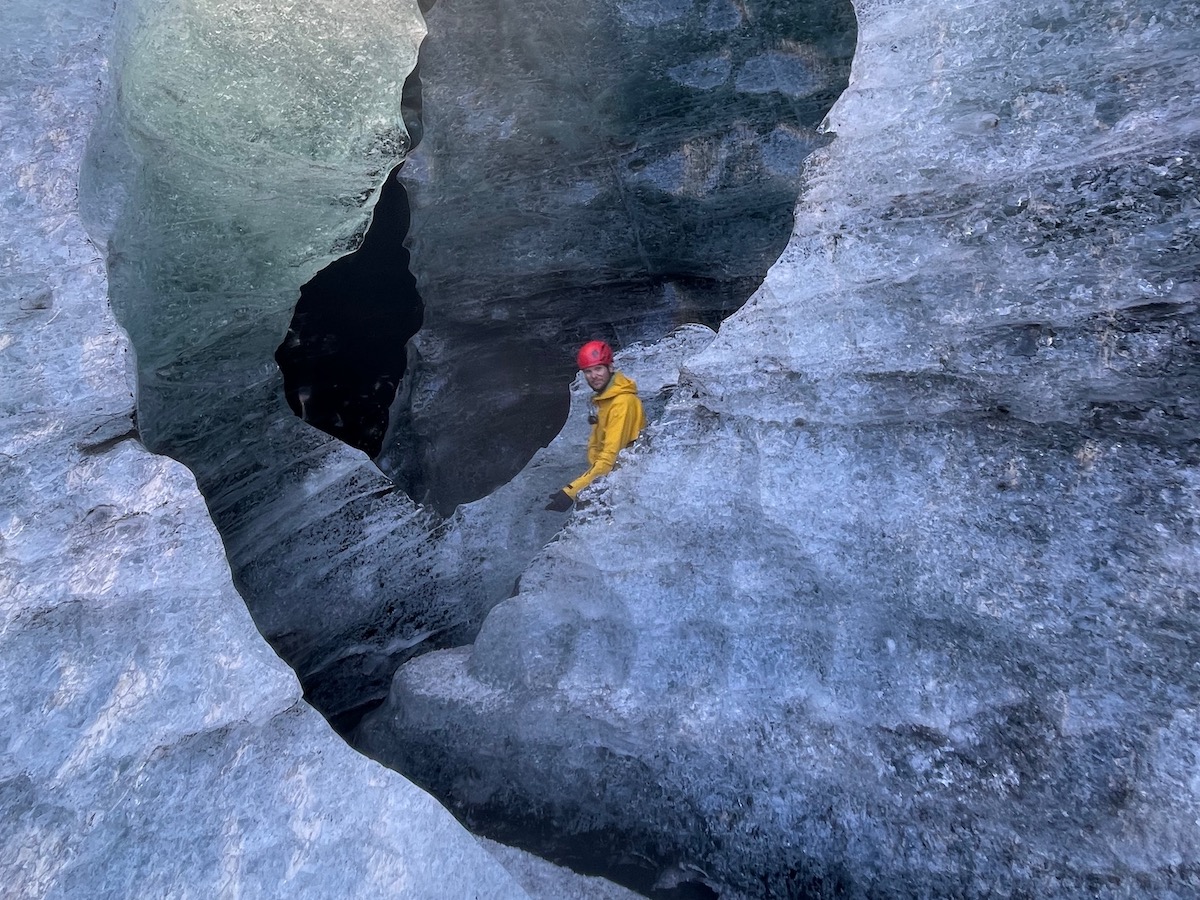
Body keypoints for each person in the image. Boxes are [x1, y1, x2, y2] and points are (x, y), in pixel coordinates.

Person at [546, 340, 646, 512]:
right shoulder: (605, 400)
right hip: (616, 481)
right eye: (588, 371)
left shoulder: (622, 403)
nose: (594, 376)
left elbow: (610, 459)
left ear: (610, 367)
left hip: (630, 484)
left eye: (599, 368)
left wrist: (571, 492)